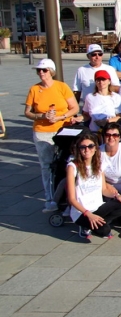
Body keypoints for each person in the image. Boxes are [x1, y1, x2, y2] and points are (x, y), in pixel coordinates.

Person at [25, 58, 79, 212]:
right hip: (42, 131)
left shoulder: (61, 87)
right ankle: (50, 199)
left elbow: (74, 107)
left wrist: (61, 117)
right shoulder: (34, 89)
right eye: (39, 70)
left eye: (44, 70)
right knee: (47, 165)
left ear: (51, 71)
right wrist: (42, 116)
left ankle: (67, 197)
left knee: (66, 162)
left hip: (63, 129)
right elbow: (27, 112)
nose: (41, 73)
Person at [67, 131, 121, 240]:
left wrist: (117, 196)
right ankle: (85, 224)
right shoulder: (73, 166)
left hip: (98, 207)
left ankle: (99, 221)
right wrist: (89, 215)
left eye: (90, 146)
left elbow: (104, 189)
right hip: (82, 212)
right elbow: (71, 199)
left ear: (95, 148)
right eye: (83, 147)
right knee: (105, 231)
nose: (87, 150)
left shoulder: (98, 165)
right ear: (79, 149)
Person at [82, 69, 121, 133]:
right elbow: (86, 115)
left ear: (109, 81)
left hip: (110, 132)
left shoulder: (116, 97)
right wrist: (78, 119)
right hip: (94, 131)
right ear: (95, 82)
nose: (101, 82)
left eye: (103, 80)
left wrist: (107, 121)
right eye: (98, 80)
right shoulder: (89, 97)